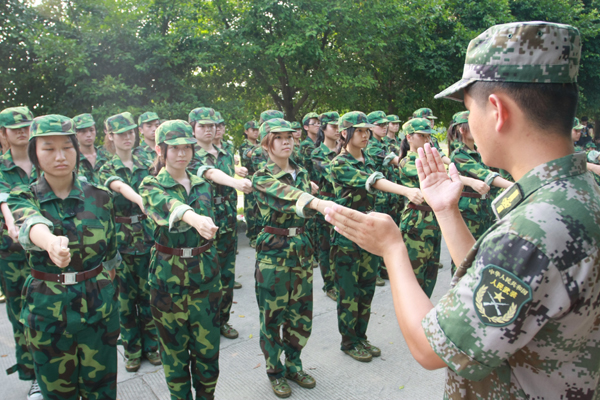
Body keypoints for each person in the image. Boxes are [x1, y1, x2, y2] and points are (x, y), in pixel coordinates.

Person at [325, 21, 600, 399]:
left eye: (469, 110)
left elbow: (431, 348)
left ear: (497, 111)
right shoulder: (578, 193)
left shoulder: (532, 230)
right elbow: (502, 282)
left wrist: (392, 248)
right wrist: (447, 211)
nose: (467, 125)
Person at [9, 114, 121, 400]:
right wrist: (50, 243)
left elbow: (110, 258)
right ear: (34, 153)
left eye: (67, 147)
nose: (60, 156)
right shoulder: (23, 196)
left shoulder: (100, 197)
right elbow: (29, 223)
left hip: (98, 312)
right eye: (48, 148)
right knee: (58, 393)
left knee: (102, 391)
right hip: (47, 313)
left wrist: (106, 296)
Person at [329, 111, 423, 363]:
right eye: (359, 130)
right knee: (349, 292)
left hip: (369, 233)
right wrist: (406, 191)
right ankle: (349, 341)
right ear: (345, 133)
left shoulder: (369, 158)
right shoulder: (339, 163)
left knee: (367, 288)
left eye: (367, 130)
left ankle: (361, 336)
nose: (365, 135)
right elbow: (373, 181)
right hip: (347, 235)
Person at [252, 117, 335, 398]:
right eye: (278, 137)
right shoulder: (262, 177)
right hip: (274, 252)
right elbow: (287, 197)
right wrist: (314, 200)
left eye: (289, 136)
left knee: (301, 315)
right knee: (272, 318)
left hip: (300, 249)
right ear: (267, 144)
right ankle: (274, 371)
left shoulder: (301, 172)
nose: (286, 141)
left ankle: (294, 365)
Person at [140, 120, 221, 400]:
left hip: (205, 277)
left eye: (187, 147)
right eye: (174, 148)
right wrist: (193, 218)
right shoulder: (151, 185)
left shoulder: (202, 185)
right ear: (160, 150)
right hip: (168, 280)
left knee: (208, 351)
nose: (182, 153)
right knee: (174, 353)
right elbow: (169, 206)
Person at [99, 112, 161, 372]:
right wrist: (141, 199)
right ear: (110, 136)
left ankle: (152, 346)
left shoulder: (147, 161)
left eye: (131, 132)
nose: (127, 137)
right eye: (121, 133)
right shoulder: (106, 168)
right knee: (125, 299)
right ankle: (132, 350)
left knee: (149, 294)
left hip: (147, 235)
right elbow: (119, 187)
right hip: (121, 238)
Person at [188, 107, 253, 340]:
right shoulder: (189, 153)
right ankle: (203, 323)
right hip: (204, 221)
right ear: (193, 128)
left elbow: (222, 169)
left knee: (226, 274)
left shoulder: (225, 152)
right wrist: (236, 182)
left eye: (212, 125)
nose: (209, 129)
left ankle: (222, 320)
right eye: (203, 126)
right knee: (204, 275)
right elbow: (209, 173)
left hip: (227, 219)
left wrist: (236, 172)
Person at [0, 106, 41, 400]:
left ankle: (59, 371)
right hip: (13, 256)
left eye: (26, 127)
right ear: (3, 133)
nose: (22, 133)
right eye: (15, 129)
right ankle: (35, 376)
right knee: (21, 317)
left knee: (53, 315)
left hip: (46, 254)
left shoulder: (44, 160)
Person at [446, 111, 511, 275]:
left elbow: (498, 172)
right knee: (464, 257)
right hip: (469, 210)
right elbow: (485, 175)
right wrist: (516, 187)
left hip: (484, 207)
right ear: (462, 130)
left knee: (484, 253)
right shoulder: (459, 154)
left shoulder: (480, 150)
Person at [310, 111, 340, 301]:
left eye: (339, 127)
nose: (337, 130)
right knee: (326, 246)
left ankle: (341, 281)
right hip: (325, 204)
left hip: (343, 202)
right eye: (334, 126)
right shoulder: (318, 153)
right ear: (324, 128)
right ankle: (329, 285)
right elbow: (334, 174)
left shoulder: (344, 149)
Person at [73, 113, 113, 184]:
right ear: (76, 134)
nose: (88, 135)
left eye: (91, 130)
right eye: (83, 131)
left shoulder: (108, 156)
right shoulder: (73, 160)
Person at [239, 120, 260, 247]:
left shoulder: (261, 144)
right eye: (253, 130)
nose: (256, 132)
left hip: (262, 178)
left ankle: (262, 235)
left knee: (262, 208)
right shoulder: (244, 146)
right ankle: (253, 237)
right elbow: (251, 155)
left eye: (257, 129)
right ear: (246, 131)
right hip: (250, 180)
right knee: (251, 210)